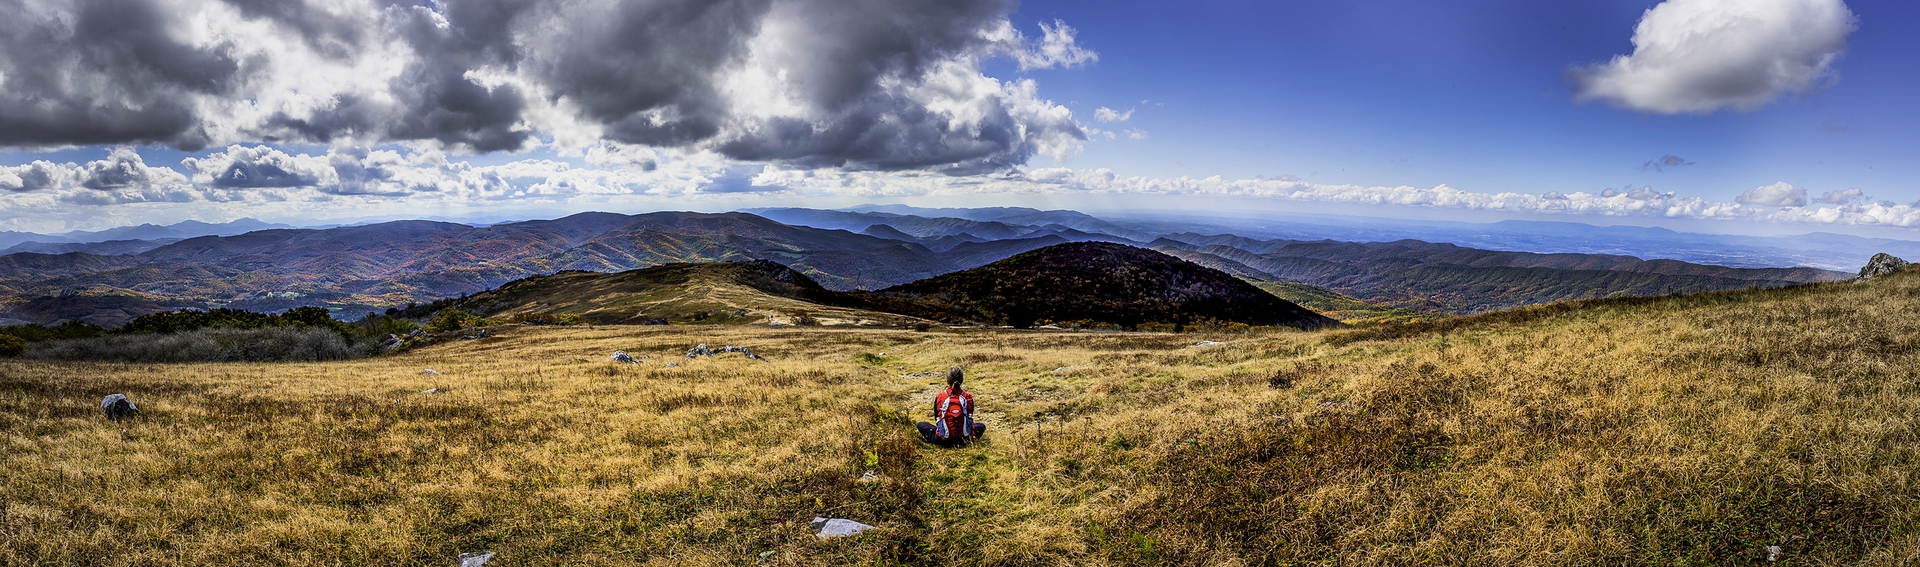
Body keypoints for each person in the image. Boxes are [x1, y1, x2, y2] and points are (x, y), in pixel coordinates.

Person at [917, 367, 985, 447]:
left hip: (943, 440)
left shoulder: (940, 396)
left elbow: (937, 418)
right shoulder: (968, 397)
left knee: (920, 424)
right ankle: (964, 438)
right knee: (981, 426)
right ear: (962, 381)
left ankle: (944, 437)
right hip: (965, 440)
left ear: (947, 381)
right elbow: (969, 415)